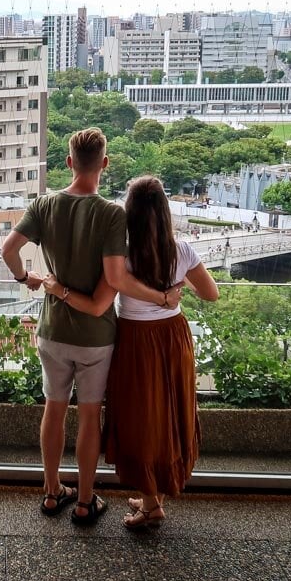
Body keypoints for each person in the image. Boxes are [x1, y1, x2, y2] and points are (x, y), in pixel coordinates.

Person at [2, 129, 181, 526]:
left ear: (68, 162)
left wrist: (26, 279)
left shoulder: (44, 205)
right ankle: (84, 501)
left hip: (52, 332)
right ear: (105, 163)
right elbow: (114, 279)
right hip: (96, 336)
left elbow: (8, 250)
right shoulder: (111, 214)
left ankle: (51, 493)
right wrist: (163, 297)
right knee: (87, 417)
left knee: (53, 409)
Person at [43, 175, 219, 530]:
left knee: (143, 417)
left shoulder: (122, 254)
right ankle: (155, 496)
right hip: (173, 337)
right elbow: (211, 294)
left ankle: (152, 505)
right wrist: (172, 290)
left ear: (130, 212)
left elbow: (104, 296)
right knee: (168, 413)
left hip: (136, 340)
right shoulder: (181, 251)